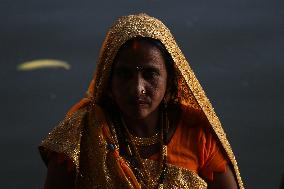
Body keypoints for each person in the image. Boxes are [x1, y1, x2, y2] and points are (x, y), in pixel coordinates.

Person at [39, 13, 244, 189]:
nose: (137, 88)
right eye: (124, 74)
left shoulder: (198, 134)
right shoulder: (80, 135)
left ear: (171, 80)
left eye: (150, 73)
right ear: (107, 80)